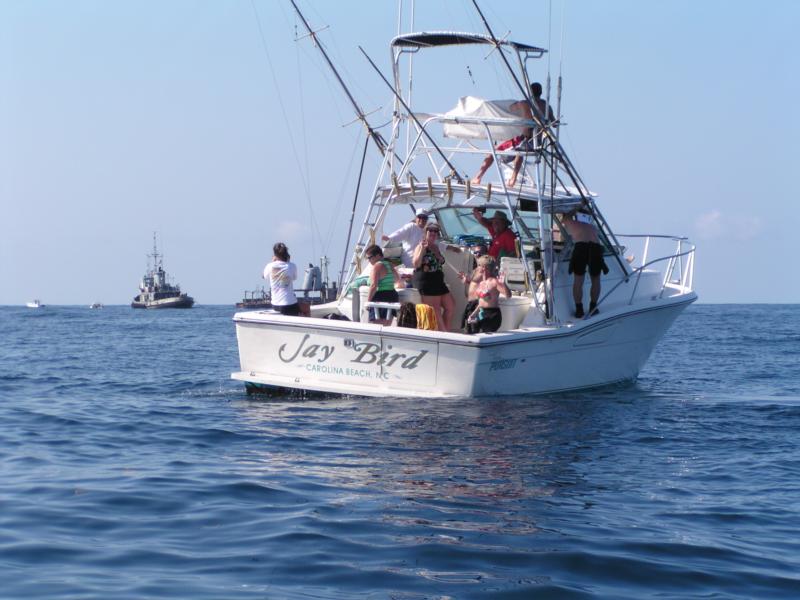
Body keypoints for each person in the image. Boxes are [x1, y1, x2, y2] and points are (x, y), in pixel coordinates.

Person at [471, 82, 556, 187]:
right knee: (520, 151)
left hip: (525, 140)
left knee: (493, 152)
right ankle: (513, 179)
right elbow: (554, 123)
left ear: (530, 92)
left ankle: (477, 177)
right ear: (541, 92)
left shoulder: (525, 104)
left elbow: (511, 108)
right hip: (538, 143)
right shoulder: (547, 106)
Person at [561, 211, 609, 318]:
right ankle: (593, 307)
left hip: (581, 247)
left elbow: (566, 218)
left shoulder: (569, 221)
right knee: (596, 280)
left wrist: (574, 208)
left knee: (578, 280)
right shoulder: (591, 226)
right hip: (595, 248)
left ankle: (579, 309)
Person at [411, 222, 456, 332]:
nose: (433, 233)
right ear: (425, 232)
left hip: (438, 281)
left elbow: (441, 261)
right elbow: (416, 264)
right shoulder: (420, 246)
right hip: (427, 281)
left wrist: (437, 254)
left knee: (451, 306)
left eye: (436, 231)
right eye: (430, 230)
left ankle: (446, 331)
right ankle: (444, 335)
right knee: (435, 309)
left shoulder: (436, 246)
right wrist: (422, 249)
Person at [464, 256, 511, 334]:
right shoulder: (481, 282)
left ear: (484, 268)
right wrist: (473, 314)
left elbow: (508, 295)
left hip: (492, 314)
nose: (477, 268)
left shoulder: (494, 282)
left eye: (479, 265)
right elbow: (481, 303)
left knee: (486, 338)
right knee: (471, 333)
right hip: (480, 312)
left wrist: (503, 284)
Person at [364, 244, 400, 325]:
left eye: (370, 257)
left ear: (377, 255)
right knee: (386, 326)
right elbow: (397, 279)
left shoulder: (377, 266)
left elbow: (373, 286)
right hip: (392, 296)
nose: (369, 261)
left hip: (381, 297)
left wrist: (368, 302)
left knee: (375, 326)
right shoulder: (389, 264)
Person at [263, 242, 301, 316]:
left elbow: (263, 276)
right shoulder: (292, 266)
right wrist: (288, 262)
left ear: (275, 254)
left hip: (275, 305)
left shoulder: (270, 266)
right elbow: (294, 278)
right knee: (306, 307)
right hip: (290, 305)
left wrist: (272, 262)